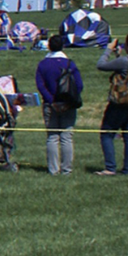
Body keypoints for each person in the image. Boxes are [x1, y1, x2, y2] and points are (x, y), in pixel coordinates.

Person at [95, 31, 128, 176]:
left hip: (120, 103)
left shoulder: (124, 61)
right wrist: (118, 55)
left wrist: (108, 49)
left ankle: (110, 168)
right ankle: (127, 169)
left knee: (107, 134)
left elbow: (101, 65)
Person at [35, 34, 83, 176]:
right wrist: (69, 101)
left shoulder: (43, 64)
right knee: (66, 137)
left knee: (52, 136)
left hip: (50, 105)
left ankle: (53, 169)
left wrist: (51, 101)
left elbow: (40, 85)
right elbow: (78, 85)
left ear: (49, 46)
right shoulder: (70, 64)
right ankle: (66, 169)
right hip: (68, 104)